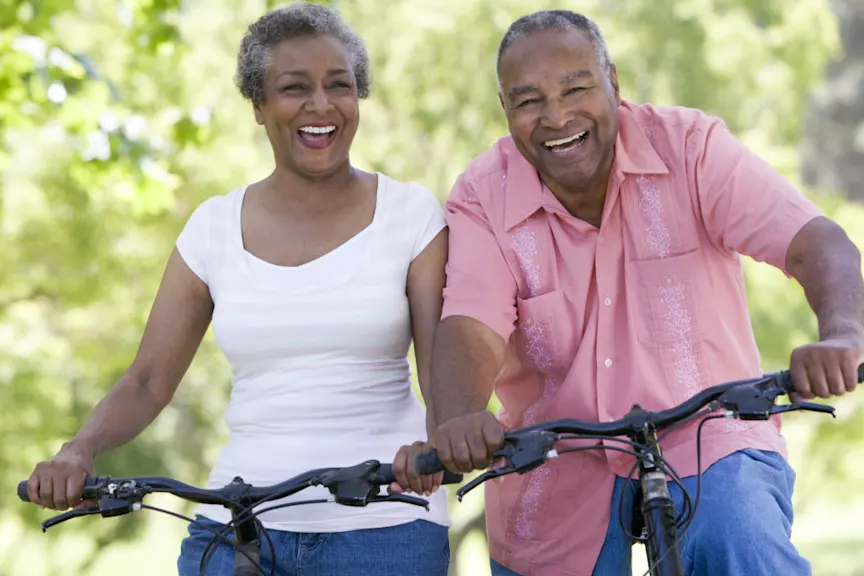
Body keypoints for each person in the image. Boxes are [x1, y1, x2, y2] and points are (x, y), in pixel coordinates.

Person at [423, 9, 864, 576]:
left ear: (613, 81)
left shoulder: (690, 148)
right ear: (505, 109)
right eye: (528, 101)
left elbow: (814, 242)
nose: (556, 116)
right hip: (553, 455)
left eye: (576, 89)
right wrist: (460, 416)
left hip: (708, 434)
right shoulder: (483, 194)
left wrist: (843, 335)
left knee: (741, 538)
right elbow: (471, 325)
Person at [24, 4, 450, 575]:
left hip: (386, 523)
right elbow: (148, 380)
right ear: (258, 105)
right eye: (295, 87)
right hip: (239, 525)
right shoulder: (213, 227)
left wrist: (438, 444)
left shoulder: (411, 215)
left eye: (339, 85)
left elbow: (442, 374)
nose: (321, 105)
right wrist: (79, 448)